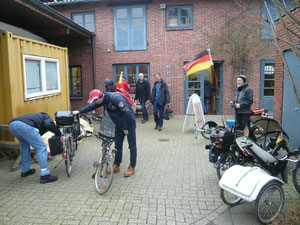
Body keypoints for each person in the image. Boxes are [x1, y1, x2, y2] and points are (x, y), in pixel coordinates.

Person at [73, 89, 137, 177]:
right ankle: (116, 166)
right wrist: (79, 111)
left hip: (129, 123)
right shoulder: (103, 99)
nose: (95, 102)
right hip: (119, 125)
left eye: (95, 100)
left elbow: (128, 113)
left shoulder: (116, 99)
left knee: (132, 146)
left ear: (99, 97)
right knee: (117, 146)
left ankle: (132, 167)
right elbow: (92, 106)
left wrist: (125, 128)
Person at [8, 112, 61, 183]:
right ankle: (45, 175)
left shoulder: (36, 118)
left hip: (12, 125)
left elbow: (36, 136)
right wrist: (59, 134)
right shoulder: (46, 117)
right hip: (23, 126)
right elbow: (49, 125)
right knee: (42, 147)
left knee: (25, 145)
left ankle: (25, 170)